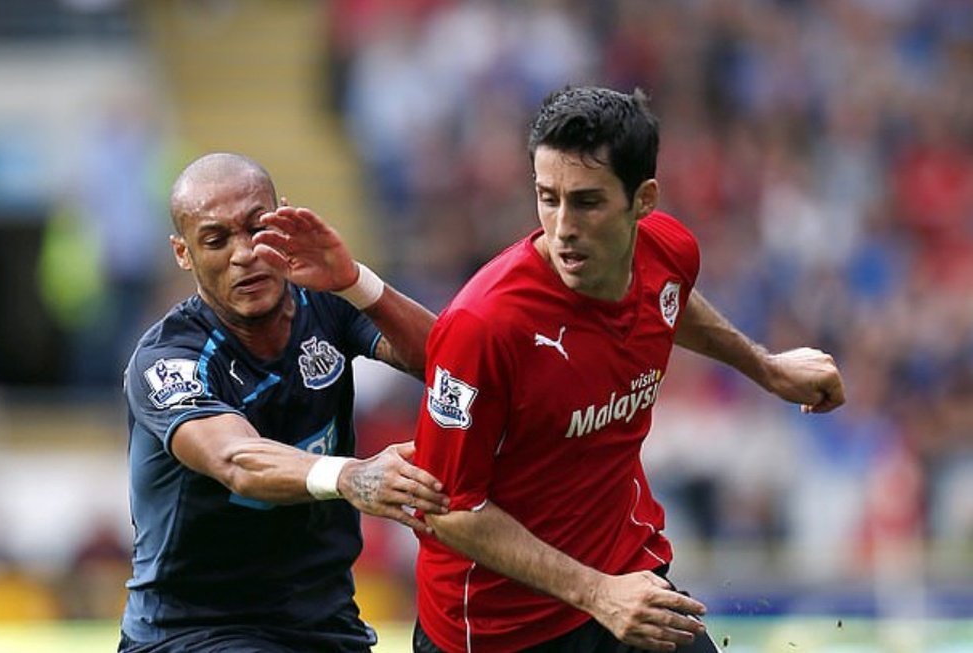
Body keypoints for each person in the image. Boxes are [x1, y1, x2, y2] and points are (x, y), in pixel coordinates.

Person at [411, 86, 846, 653]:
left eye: (587, 202)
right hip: (499, 630)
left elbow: (668, 296)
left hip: (622, 579)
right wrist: (598, 594)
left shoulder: (670, 251)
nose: (562, 226)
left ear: (643, 200)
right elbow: (446, 510)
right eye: (547, 198)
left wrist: (765, 367)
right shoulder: (483, 325)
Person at [119, 152, 449, 653]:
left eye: (257, 227)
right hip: (193, 633)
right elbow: (237, 461)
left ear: (284, 219)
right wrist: (347, 475)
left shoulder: (326, 303)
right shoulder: (169, 360)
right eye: (216, 239)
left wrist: (355, 282)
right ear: (183, 253)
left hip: (325, 624)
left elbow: (450, 366)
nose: (244, 252)